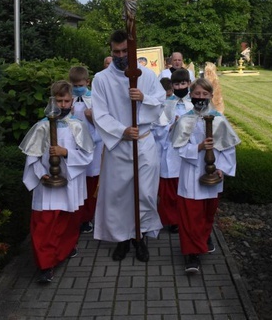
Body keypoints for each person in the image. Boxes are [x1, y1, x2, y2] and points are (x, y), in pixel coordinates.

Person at [91, 29, 165, 262]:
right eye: (116, 51)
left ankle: (139, 237)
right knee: (119, 195)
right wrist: (121, 131)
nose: (121, 55)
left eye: (125, 50)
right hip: (119, 146)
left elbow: (161, 101)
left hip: (143, 143)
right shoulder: (101, 79)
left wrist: (144, 99)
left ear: (132, 50)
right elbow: (99, 113)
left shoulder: (147, 76)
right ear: (110, 51)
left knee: (145, 193)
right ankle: (122, 239)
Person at [19, 80, 94, 283]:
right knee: (45, 224)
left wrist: (66, 152)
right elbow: (32, 157)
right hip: (47, 186)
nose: (62, 105)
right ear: (52, 101)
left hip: (70, 182)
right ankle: (45, 265)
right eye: (59, 100)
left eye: (66, 101)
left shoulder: (77, 126)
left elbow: (87, 156)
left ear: (72, 102)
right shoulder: (42, 127)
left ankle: (64, 250)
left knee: (67, 221)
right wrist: (41, 173)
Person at [171, 78, 239, 274]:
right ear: (191, 95)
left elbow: (228, 149)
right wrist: (198, 147)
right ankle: (191, 255)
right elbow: (179, 148)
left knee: (208, 213)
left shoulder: (218, 119)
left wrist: (222, 169)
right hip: (191, 175)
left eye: (204, 95)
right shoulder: (184, 120)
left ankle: (203, 236)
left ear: (210, 96)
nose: (200, 98)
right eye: (197, 94)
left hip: (212, 174)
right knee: (190, 216)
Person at [153, 68, 194, 234]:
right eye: (177, 84)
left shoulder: (194, 103)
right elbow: (157, 129)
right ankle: (171, 220)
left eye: (183, 83)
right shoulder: (166, 104)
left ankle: (185, 217)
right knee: (169, 191)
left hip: (189, 150)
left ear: (189, 84)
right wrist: (171, 125)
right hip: (170, 150)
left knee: (186, 187)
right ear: (172, 85)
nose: (180, 87)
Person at [68, 66, 104, 234]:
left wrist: (92, 118)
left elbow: (104, 124)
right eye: (74, 85)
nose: (77, 88)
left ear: (87, 82)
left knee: (90, 184)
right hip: (74, 148)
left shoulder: (95, 99)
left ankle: (87, 218)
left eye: (80, 85)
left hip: (93, 146)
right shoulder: (69, 100)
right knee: (76, 182)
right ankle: (76, 215)